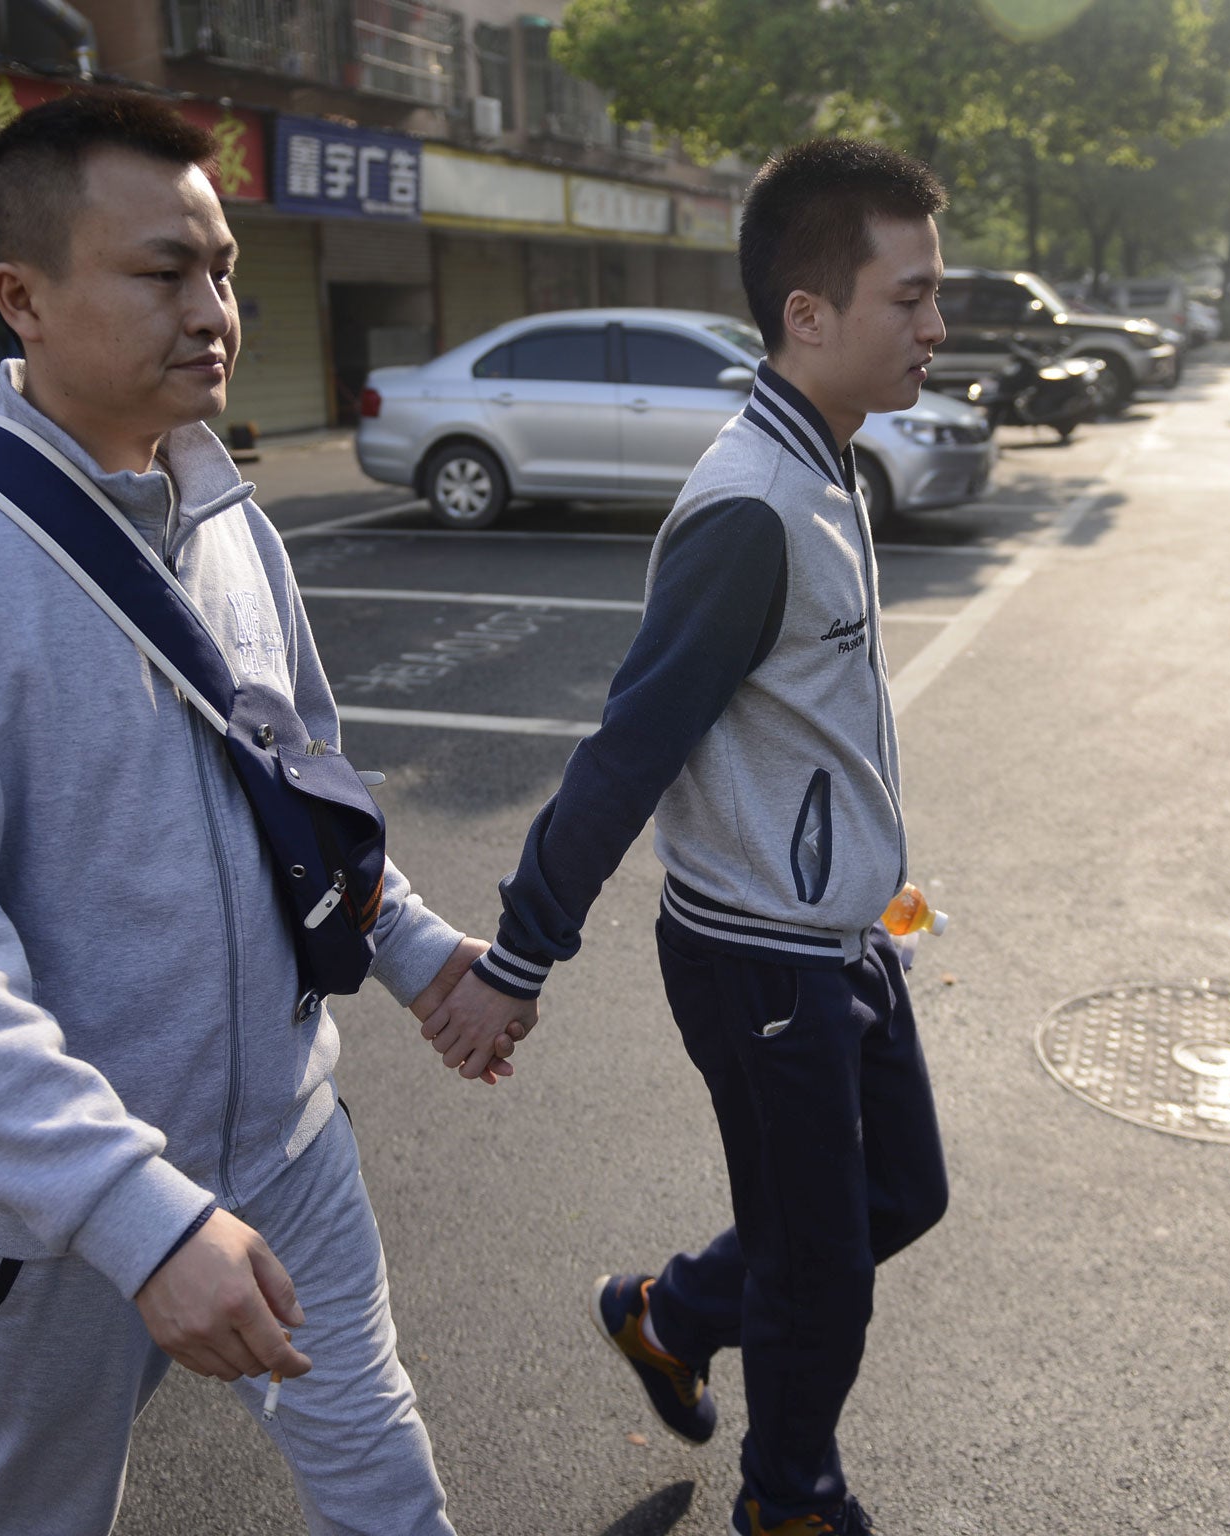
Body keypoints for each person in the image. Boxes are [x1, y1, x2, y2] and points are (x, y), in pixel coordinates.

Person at [0, 93, 512, 1536]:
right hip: (65, 1215)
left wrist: (420, 951)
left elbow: (303, 769)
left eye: (226, 269)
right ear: (24, 298)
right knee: (45, 1505)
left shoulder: (228, 514)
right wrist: (137, 1214)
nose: (215, 310)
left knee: (383, 1469)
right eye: (161, 273)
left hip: (294, 1151)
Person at [421, 139, 953, 1536]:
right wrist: (515, 964)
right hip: (759, 964)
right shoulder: (750, 509)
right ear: (809, 315)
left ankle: (668, 1314)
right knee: (821, 1264)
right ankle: (789, 1497)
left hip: (835, 934)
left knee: (901, 1190)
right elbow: (626, 754)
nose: (936, 327)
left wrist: (875, 879)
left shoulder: (825, 460)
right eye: (912, 298)